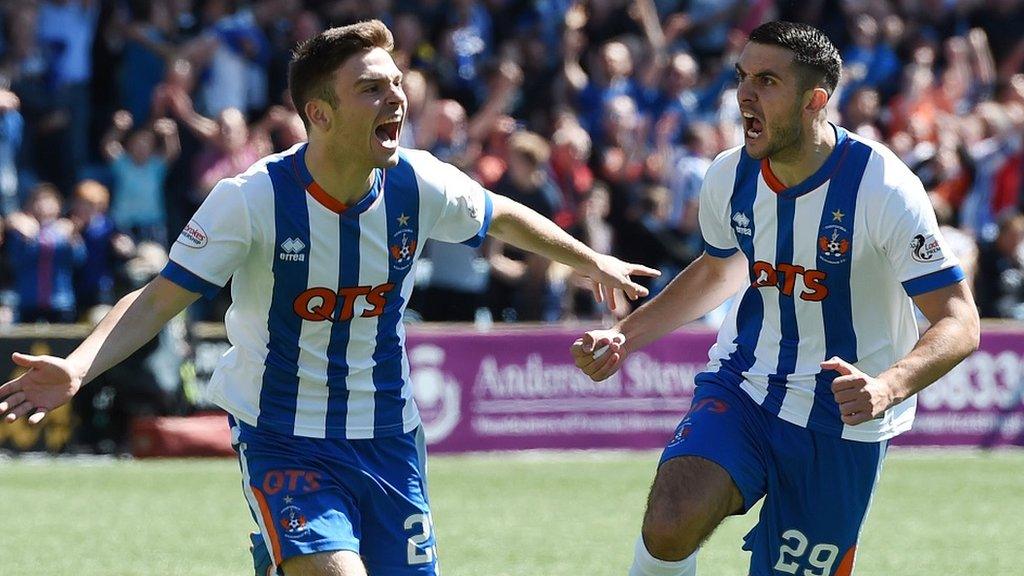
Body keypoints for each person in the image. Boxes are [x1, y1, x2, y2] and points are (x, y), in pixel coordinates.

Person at [0, 20, 658, 576]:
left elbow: (501, 213)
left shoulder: (417, 183)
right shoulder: (251, 201)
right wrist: (80, 366)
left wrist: (590, 258)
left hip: (389, 437)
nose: (395, 96)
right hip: (282, 435)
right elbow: (157, 298)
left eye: (396, 83)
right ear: (320, 113)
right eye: (371, 88)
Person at [571, 21, 979, 576]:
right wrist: (627, 334)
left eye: (766, 80)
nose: (744, 94)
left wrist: (888, 385)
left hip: (843, 419)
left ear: (815, 101)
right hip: (747, 383)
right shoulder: (729, 176)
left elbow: (959, 320)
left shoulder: (882, 188)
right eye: (742, 76)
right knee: (670, 517)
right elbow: (720, 270)